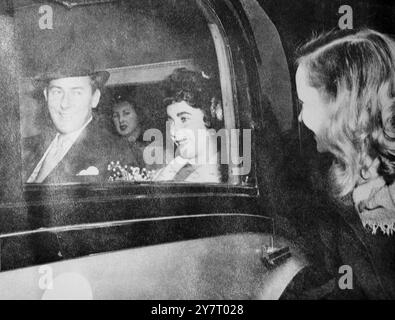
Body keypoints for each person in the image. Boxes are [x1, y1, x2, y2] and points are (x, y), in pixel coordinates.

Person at [283, 29, 395, 299]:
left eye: (305, 103)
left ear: (341, 107)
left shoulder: (384, 196)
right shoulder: (354, 177)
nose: (299, 117)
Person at [23, 46, 142, 184]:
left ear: (94, 98)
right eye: (57, 92)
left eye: (76, 92)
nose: (65, 104)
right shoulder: (27, 147)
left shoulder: (117, 152)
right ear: (46, 95)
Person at [153, 68, 225, 183]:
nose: (173, 132)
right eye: (171, 121)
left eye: (184, 119)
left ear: (211, 116)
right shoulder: (179, 170)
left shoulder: (224, 174)